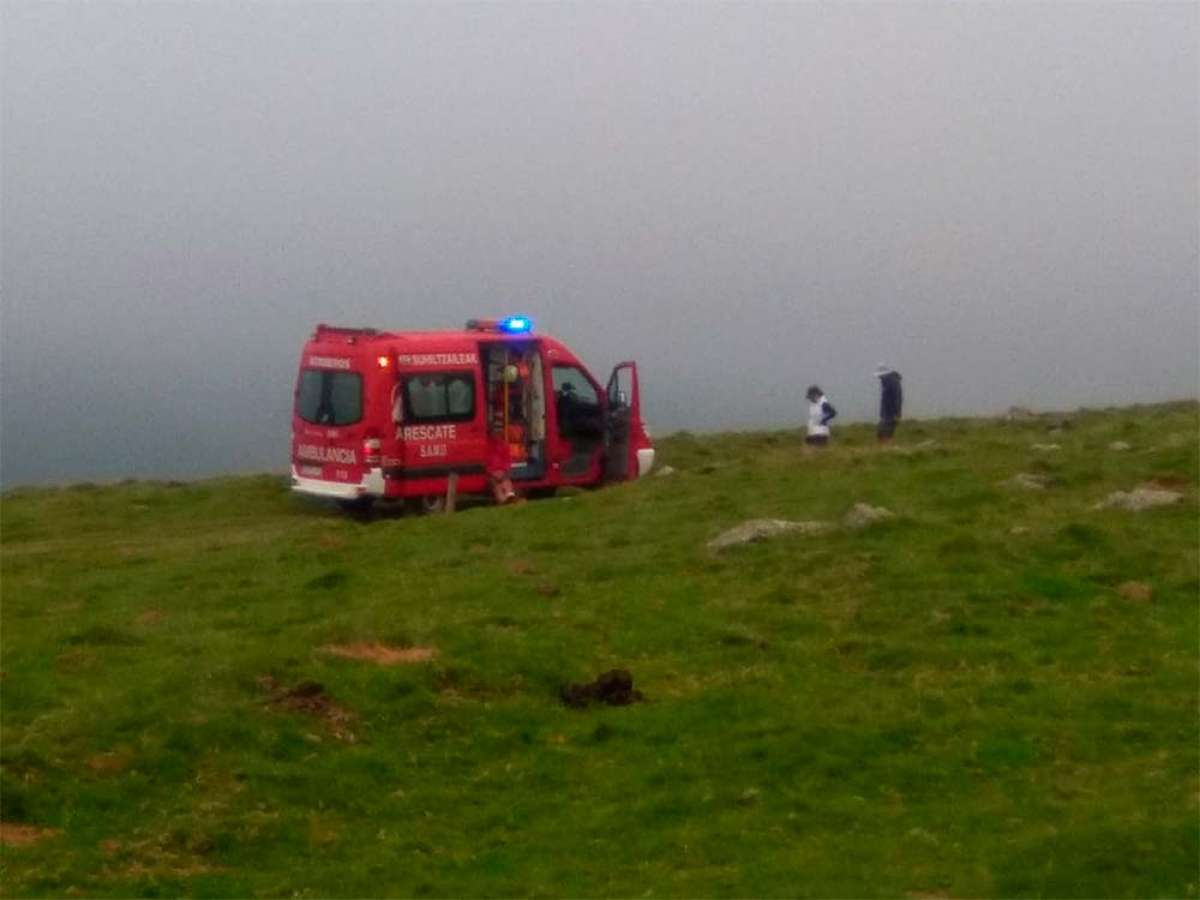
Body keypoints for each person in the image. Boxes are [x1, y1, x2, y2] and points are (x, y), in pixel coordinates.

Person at [874, 365, 903, 443]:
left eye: (880, 376)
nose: (879, 378)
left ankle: (887, 450)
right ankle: (886, 451)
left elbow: (897, 399)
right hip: (886, 414)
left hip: (890, 414)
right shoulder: (887, 382)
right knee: (881, 433)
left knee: (884, 433)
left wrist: (897, 414)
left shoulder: (893, 383)